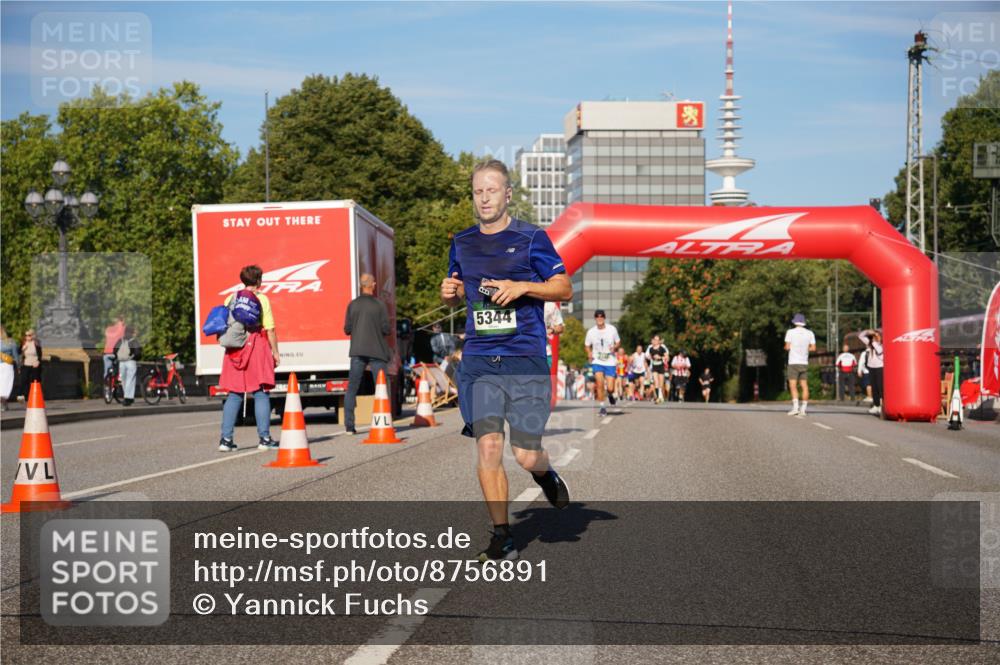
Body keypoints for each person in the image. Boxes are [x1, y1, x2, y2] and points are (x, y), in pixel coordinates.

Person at [439, 158, 572, 563]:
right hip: (479, 359)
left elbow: (563, 288)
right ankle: (502, 534)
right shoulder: (461, 242)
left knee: (526, 453)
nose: (484, 198)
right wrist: (450, 292)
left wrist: (522, 287)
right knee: (489, 447)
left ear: (507, 194)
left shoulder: (532, 238)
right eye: (478, 191)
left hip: (524, 357)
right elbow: (457, 288)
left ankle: (544, 473)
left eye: (491, 190)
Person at [218, 265, 281, 451]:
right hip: (256, 346)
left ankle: (226, 440)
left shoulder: (231, 298)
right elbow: (269, 329)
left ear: (243, 280)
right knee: (261, 392)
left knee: (234, 394)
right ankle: (264, 439)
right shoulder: (262, 299)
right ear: (259, 281)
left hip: (235, 349)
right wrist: (275, 352)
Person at [344, 272, 392, 435]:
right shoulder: (379, 305)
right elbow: (386, 329)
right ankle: (385, 420)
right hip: (377, 351)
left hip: (357, 351)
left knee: (352, 387)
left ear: (361, 285)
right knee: (382, 387)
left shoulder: (352, 305)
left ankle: (349, 426)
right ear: (373, 285)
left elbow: (347, 329)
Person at [585, 310, 620, 417]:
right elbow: (587, 345)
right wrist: (589, 353)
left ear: (604, 318)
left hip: (610, 361)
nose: (599, 318)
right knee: (599, 384)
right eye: (597, 317)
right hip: (597, 361)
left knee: (610, 388)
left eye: (601, 316)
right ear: (595, 318)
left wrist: (614, 347)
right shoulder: (591, 332)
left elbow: (618, 341)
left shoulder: (612, 329)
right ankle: (602, 407)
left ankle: (610, 395)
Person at [784, 313, 816, 417]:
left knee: (793, 385)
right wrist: (804, 348)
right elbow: (813, 348)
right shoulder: (810, 333)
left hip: (793, 362)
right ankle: (803, 409)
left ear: (794, 322)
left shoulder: (790, 332)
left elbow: (787, 347)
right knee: (804, 386)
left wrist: (791, 347)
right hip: (804, 362)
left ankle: (795, 408)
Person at [112, 326, 142, 406]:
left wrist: (118, 357)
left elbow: (114, 349)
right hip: (131, 362)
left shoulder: (121, 340)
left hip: (122, 362)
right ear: (132, 332)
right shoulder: (134, 340)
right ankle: (128, 398)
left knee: (123, 380)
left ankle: (128, 398)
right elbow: (138, 353)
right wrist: (135, 357)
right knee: (130, 380)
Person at [858, 329, 884, 416]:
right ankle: (876, 405)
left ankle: (882, 405)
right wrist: (868, 331)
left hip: (880, 367)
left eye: (877, 336)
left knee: (880, 387)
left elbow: (879, 351)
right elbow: (860, 336)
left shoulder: (881, 345)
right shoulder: (870, 344)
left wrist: (874, 342)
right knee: (874, 387)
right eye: (874, 336)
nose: (875, 337)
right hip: (871, 367)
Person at [19, 329, 42, 401]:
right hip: (26, 364)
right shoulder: (23, 343)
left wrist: (38, 361)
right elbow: (18, 352)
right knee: (24, 380)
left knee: (34, 380)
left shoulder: (36, 343)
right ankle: (24, 396)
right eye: (25, 335)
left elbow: (40, 354)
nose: (27, 337)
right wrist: (22, 349)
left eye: (28, 335)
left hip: (34, 364)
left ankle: (34, 396)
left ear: (32, 335)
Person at [645, 335, 669, 404]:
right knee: (656, 382)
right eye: (654, 339)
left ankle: (661, 397)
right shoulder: (651, 349)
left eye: (657, 340)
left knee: (661, 384)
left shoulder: (662, 348)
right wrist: (651, 357)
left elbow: (666, 357)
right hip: (654, 367)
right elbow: (649, 357)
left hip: (661, 366)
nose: (655, 341)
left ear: (659, 341)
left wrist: (660, 357)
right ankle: (659, 397)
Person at [0, 326, 19, 411]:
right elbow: (16, 356)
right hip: (8, 366)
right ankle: (3, 404)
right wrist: (18, 367)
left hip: (2, 365)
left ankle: (4, 404)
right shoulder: (11, 342)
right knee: (5, 385)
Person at [102, 315, 125, 380]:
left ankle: (106, 386)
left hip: (107, 353)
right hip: (117, 354)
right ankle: (118, 383)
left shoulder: (108, 329)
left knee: (106, 373)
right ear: (122, 321)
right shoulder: (123, 329)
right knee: (120, 373)